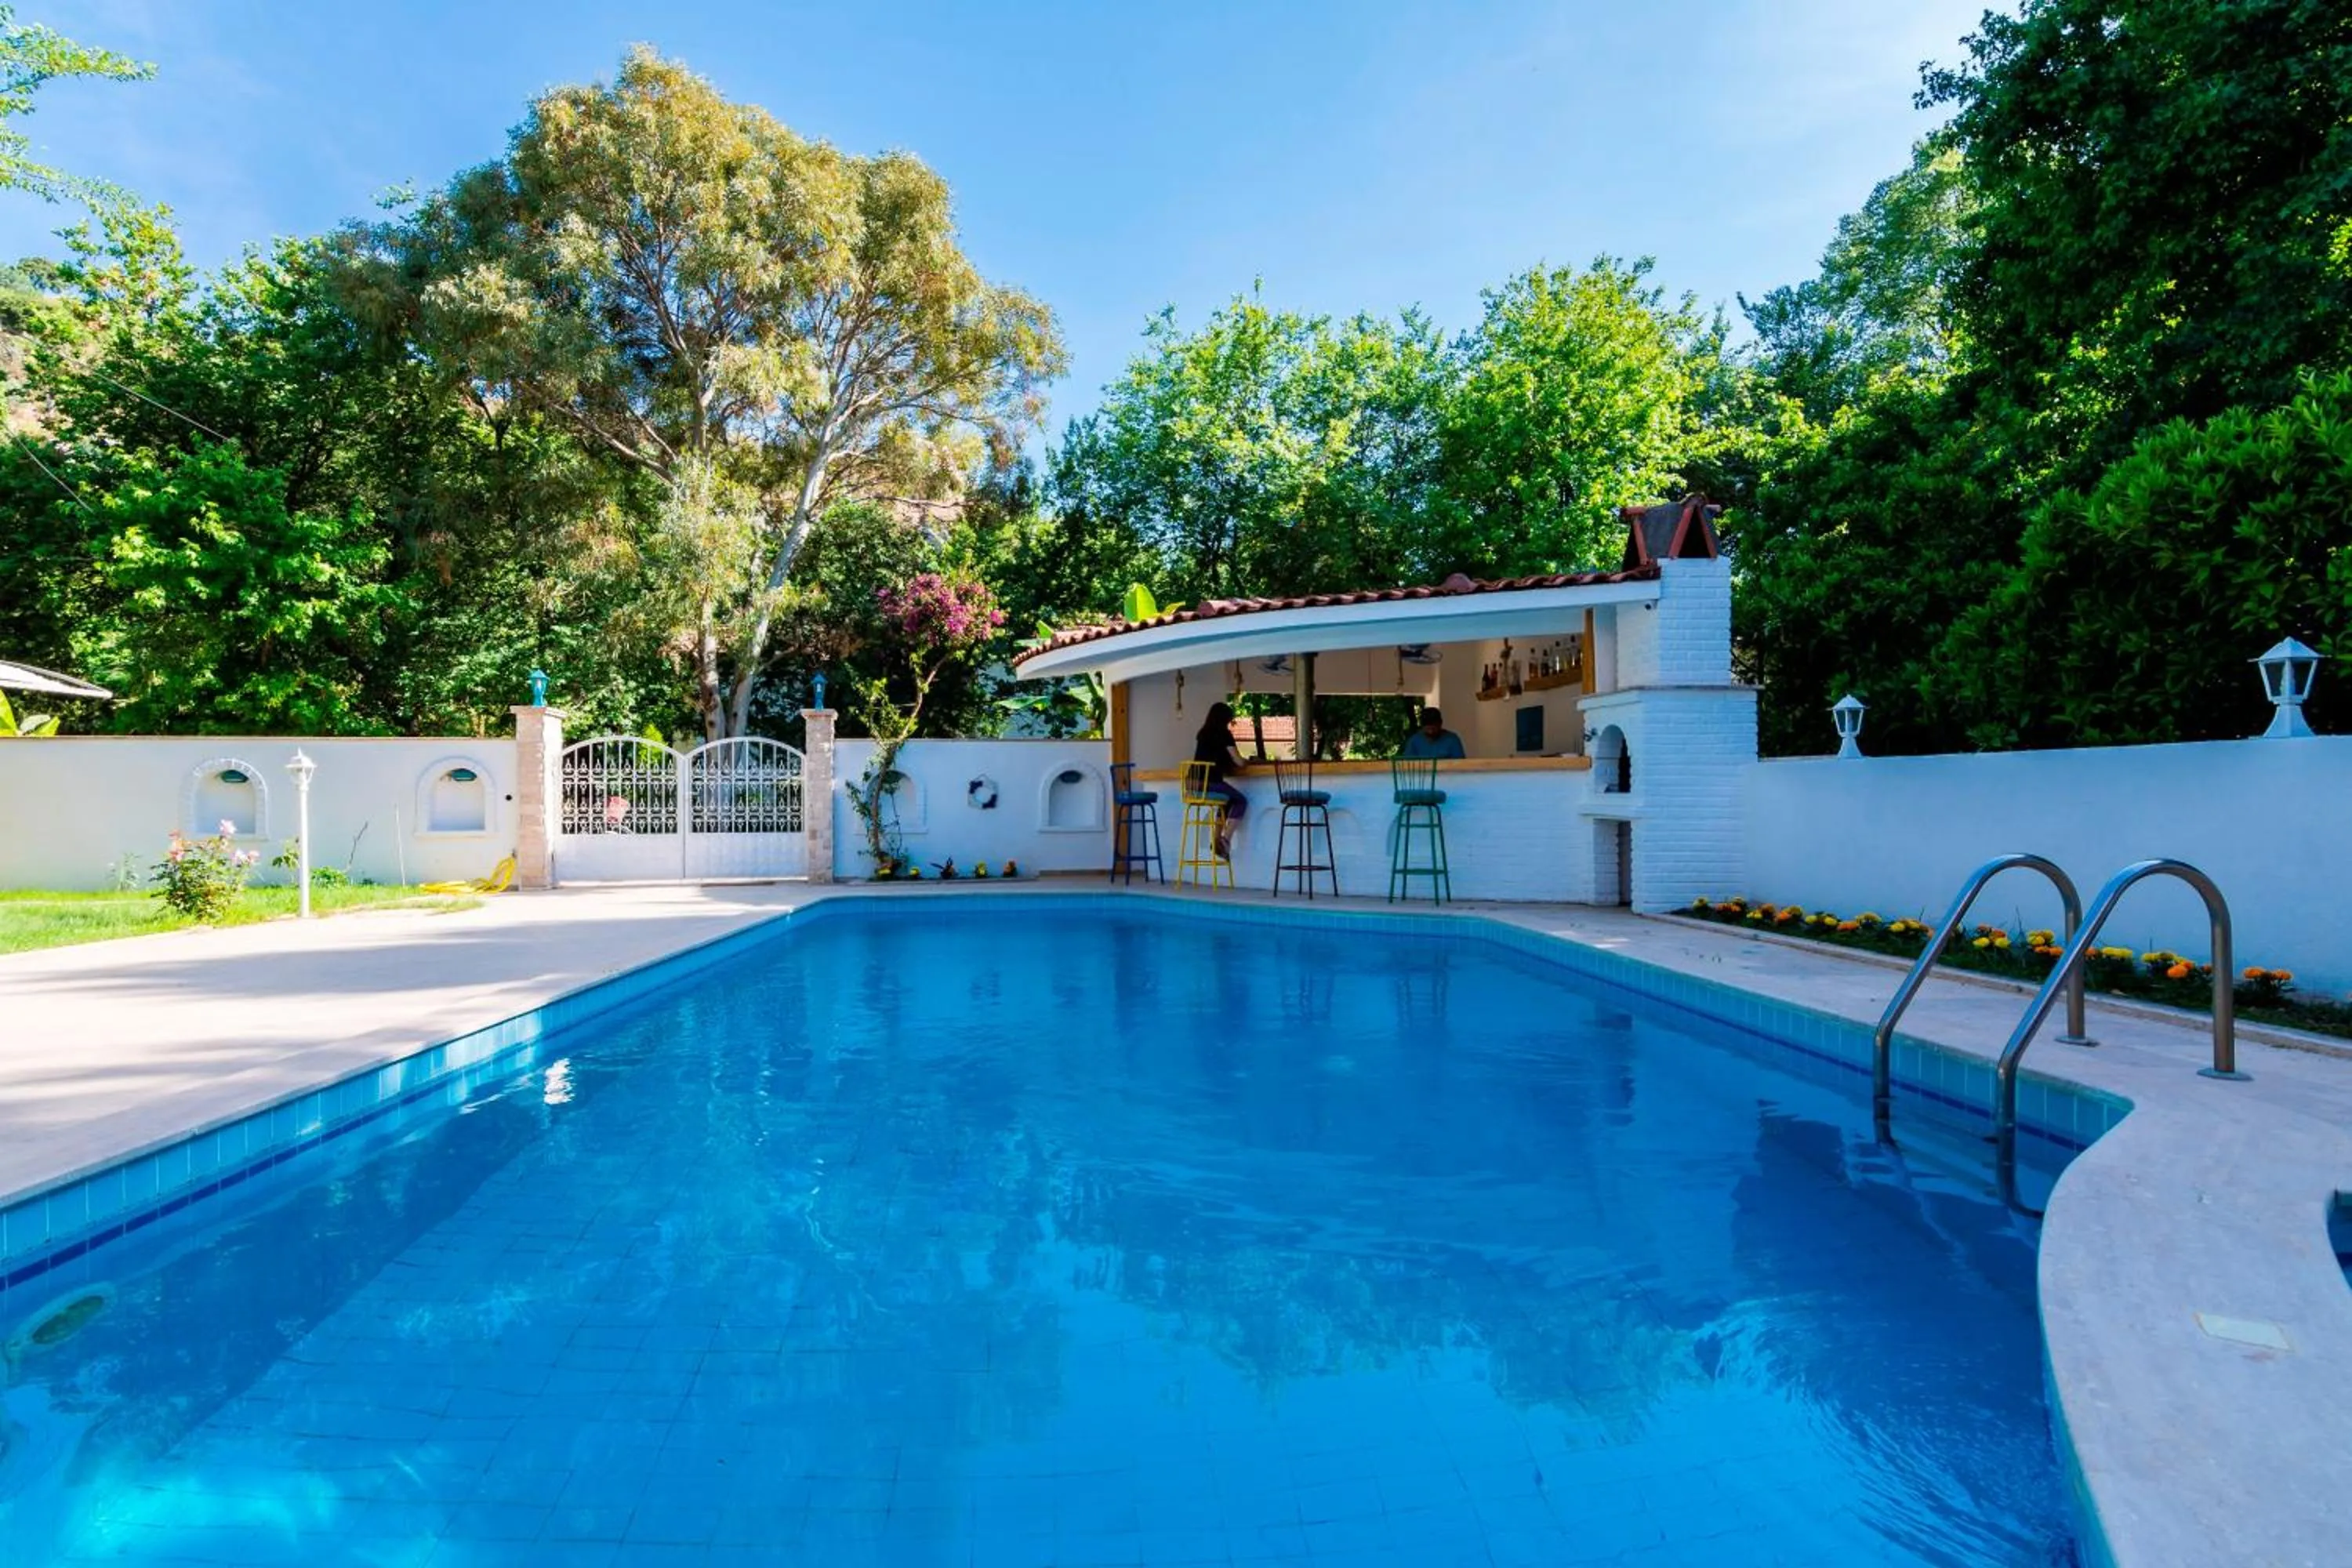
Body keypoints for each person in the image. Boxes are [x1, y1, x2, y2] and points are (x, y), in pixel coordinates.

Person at [1192, 701, 1249, 858]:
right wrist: (1249, 761)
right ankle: (1225, 840)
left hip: (1193, 785)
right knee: (1241, 800)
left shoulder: (1203, 733)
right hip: (1210, 784)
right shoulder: (1224, 734)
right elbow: (1239, 761)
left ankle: (1217, 839)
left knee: (1226, 800)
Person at [1401, 706, 1466, 760]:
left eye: (1434, 728)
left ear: (1440, 724)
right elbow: (1408, 766)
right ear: (1422, 727)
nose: (1431, 732)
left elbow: (1460, 764)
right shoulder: (1414, 741)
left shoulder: (1452, 740)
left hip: (1448, 775)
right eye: (1428, 729)